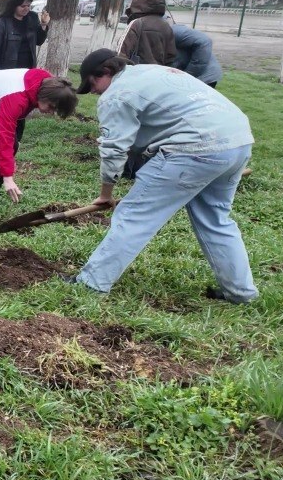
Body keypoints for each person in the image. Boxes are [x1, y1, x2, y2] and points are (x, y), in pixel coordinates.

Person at [67, 49, 257, 303]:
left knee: (134, 216)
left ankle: (91, 284)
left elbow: (114, 148)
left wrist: (106, 194)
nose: (92, 92)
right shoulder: (152, 71)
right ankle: (242, 293)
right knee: (216, 219)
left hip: (194, 149)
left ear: (107, 73)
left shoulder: (117, 95)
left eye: (91, 84)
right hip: (238, 141)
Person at [0, 68, 78, 209]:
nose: (51, 112)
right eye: (51, 107)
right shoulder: (15, 99)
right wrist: (8, 177)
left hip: (0, 96)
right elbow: (4, 139)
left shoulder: (51, 84)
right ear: (44, 96)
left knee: (13, 145)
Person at [0, 0, 49, 72]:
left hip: (28, 68)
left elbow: (39, 41)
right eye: (23, 6)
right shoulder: (2, 23)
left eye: (29, 6)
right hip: (7, 69)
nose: (26, 9)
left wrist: (43, 24)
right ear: (14, 6)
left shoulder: (32, 18)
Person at [119, 0, 175, 66]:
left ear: (138, 4)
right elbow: (171, 56)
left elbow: (122, 52)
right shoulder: (166, 25)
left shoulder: (137, 23)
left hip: (137, 72)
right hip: (158, 72)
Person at [171, 23, 222, 87]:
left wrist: (189, 75)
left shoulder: (173, 30)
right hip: (182, 77)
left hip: (203, 77)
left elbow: (203, 41)